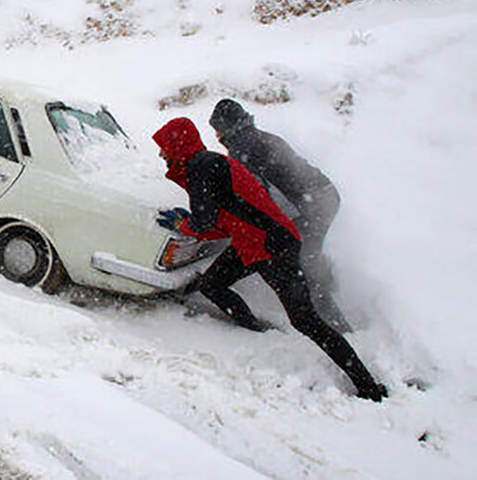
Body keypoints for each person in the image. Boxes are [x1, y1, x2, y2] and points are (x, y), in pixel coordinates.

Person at [153, 117, 387, 402]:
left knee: (305, 319)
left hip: (273, 246)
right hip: (250, 243)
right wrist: (190, 224)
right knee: (212, 284)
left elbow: (204, 222)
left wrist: (184, 224)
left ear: (177, 145)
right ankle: (254, 331)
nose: (161, 154)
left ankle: (369, 387)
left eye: (164, 147)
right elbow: (219, 221)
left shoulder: (203, 166)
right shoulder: (203, 165)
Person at [209, 98, 350, 332]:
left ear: (226, 126)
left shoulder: (241, 148)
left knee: (303, 264)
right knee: (309, 253)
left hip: (314, 204)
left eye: (217, 131)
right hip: (326, 195)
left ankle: (338, 326)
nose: (217, 137)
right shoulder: (262, 136)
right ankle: (328, 282)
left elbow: (256, 192)